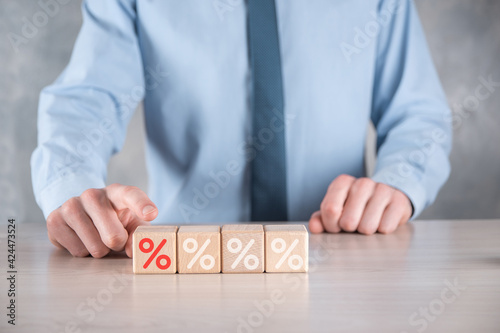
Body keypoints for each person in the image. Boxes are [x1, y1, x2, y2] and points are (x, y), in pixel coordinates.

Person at [31, 0, 452, 258]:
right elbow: (88, 97)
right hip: (186, 260)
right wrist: (74, 188)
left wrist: (397, 184)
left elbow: (417, 114)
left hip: (343, 257)